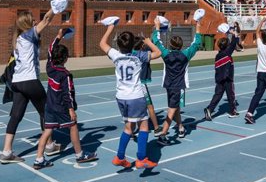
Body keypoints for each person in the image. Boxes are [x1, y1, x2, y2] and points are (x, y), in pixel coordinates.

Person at [33, 29, 98, 169]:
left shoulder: (49, 67)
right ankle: (79, 154)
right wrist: (71, 110)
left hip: (49, 106)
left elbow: (50, 50)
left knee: (47, 130)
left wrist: (58, 36)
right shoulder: (65, 75)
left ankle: (39, 159)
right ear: (66, 58)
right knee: (73, 126)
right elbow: (67, 94)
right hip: (61, 107)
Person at [0, 10, 59, 164]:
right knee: (46, 111)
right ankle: (49, 145)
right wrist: (55, 8)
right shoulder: (28, 35)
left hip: (17, 82)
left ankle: (6, 151)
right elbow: (46, 21)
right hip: (29, 80)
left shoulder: (18, 39)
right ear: (26, 23)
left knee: (16, 116)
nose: (35, 21)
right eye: (32, 20)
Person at [99, 20, 160, 169]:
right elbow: (158, 53)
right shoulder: (139, 56)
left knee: (128, 127)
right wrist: (148, 42)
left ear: (119, 45)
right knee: (144, 126)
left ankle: (120, 156)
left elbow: (102, 44)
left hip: (121, 97)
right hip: (135, 96)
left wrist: (110, 28)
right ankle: (141, 158)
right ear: (133, 44)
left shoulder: (115, 55)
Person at [152, 16, 202, 145]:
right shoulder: (186, 54)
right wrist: (198, 26)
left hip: (168, 84)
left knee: (175, 108)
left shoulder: (166, 54)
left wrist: (157, 28)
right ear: (181, 46)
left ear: (170, 45)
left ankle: (180, 127)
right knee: (172, 110)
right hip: (178, 86)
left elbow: (156, 42)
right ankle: (163, 134)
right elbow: (196, 43)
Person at [204, 27, 240, 120]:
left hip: (219, 79)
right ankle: (232, 111)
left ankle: (209, 109)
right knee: (231, 95)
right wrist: (234, 34)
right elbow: (233, 43)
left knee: (217, 95)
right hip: (227, 79)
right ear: (227, 46)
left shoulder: (218, 55)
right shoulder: (227, 53)